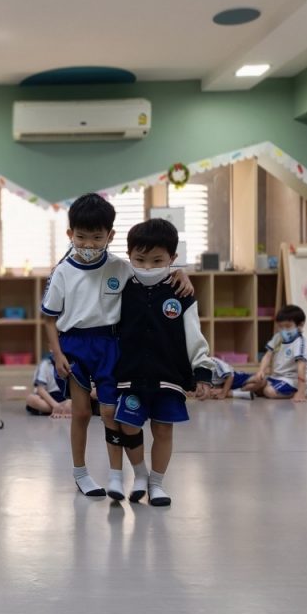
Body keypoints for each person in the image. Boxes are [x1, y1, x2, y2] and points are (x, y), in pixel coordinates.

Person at [41, 194, 192, 501]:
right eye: (81, 237)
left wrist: (180, 272)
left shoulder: (121, 267)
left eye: (97, 238)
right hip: (74, 344)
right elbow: (48, 318)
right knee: (81, 412)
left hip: (110, 343)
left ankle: (115, 475)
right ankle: (80, 473)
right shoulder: (62, 271)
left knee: (111, 412)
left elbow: (153, 272)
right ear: (70, 234)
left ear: (110, 236)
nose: (89, 244)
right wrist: (57, 354)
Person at [112, 219, 215, 507]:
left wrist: (202, 372)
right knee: (128, 425)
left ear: (172, 258)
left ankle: (157, 484)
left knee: (163, 429)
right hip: (130, 374)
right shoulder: (121, 288)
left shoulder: (181, 292)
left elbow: (194, 335)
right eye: (139, 260)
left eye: (157, 260)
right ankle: (140, 475)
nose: (147, 267)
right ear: (129, 256)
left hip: (168, 375)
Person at [251, 305, 307, 403]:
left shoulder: (300, 343)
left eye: (288, 326)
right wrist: (261, 371)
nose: (283, 330)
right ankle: (274, 388)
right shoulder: (278, 337)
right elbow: (267, 355)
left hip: (292, 380)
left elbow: (302, 367)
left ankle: (298, 391)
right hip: (277, 377)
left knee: (269, 391)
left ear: (300, 325)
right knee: (254, 385)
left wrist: (301, 392)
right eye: (280, 326)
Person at [25, 353, 71, 417]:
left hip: (68, 397)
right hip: (48, 398)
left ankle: (57, 410)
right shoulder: (45, 364)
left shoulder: (72, 363)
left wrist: (69, 402)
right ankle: (60, 409)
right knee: (31, 399)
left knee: (81, 401)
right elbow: (40, 389)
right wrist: (55, 405)